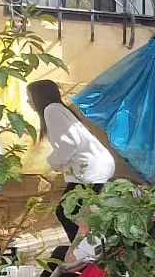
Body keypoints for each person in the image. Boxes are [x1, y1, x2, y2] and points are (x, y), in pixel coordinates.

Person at [28, 79, 115, 242]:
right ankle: (94, 248)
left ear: (39, 96)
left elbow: (69, 143)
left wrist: (54, 162)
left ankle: (84, 253)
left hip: (90, 169)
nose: (28, 101)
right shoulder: (57, 109)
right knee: (82, 212)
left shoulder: (51, 110)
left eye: (30, 96)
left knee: (66, 211)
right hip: (94, 167)